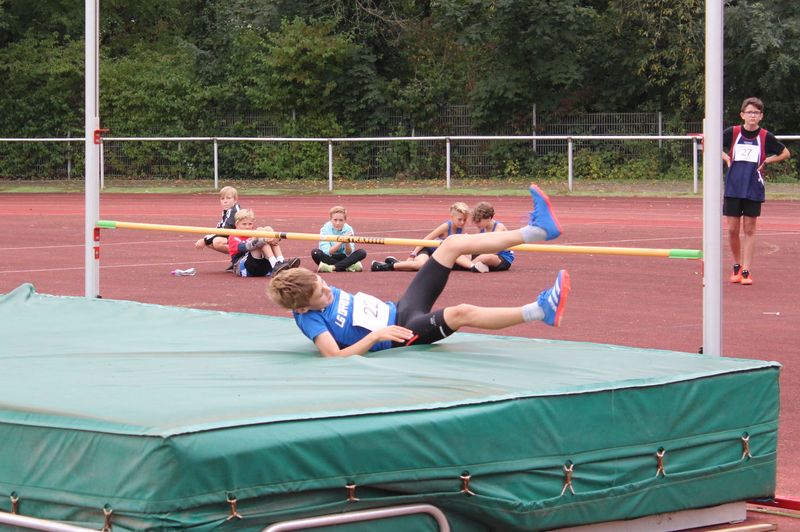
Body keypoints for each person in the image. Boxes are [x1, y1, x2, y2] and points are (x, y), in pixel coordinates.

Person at [268, 184, 569, 357]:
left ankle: (536, 231)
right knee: (460, 312)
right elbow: (333, 356)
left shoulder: (311, 290)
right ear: (303, 307)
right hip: (404, 332)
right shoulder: (310, 319)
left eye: (322, 283)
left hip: (401, 309)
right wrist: (376, 337)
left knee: (451, 244)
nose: (327, 290)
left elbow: (301, 284)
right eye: (321, 295)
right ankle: (540, 311)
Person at [722, 97, 791, 285]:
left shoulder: (765, 136)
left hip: (753, 187)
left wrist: (767, 160)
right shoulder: (733, 132)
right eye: (749, 112)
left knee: (749, 228)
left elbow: (785, 153)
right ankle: (736, 265)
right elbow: (709, 144)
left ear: (761, 116)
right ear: (742, 114)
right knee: (732, 229)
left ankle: (746, 270)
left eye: (756, 113)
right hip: (733, 187)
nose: (752, 116)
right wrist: (726, 158)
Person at [370, 201, 471, 272]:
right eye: (460, 219)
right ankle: (384, 266)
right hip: (425, 249)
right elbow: (426, 239)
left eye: (465, 220)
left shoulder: (460, 227)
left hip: (436, 254)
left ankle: (398, 263)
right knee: (420, 265)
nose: (462, 222)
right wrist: (413, 255)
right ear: (452, 217)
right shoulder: (446, 227)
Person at [228, 209, 300, 277]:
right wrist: (264, 240)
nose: (247, 227)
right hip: (245, 268)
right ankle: (275, 264)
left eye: (250, 224)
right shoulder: (233, 236)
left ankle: (281, 261)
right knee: (260, 235)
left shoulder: (253, 233)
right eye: (244, 224)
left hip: (263, 266)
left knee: (267, 230)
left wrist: (274, 239)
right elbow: (244, 248)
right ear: (237, 224)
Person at [311, 206, 367, 273]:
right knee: (315, 253)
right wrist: (341, 241)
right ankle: (348, 266)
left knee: (362, 252)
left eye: (341, 220)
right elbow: (328, 252)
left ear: (345, 220)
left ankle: (331, 267)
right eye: (335, 220)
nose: (338, 223)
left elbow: (349, 253)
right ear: (330, 219)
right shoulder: (324, 229)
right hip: (330, 257)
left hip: (344, 257)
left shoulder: (349, 229)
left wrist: (347, 242)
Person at [469, 201, 515, 273]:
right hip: (485, 253)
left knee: (485, 257)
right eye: (475, 221)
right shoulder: (482, 228)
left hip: (502, 258)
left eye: (478, 221)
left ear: (489, 218)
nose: (476, 224)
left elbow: (494, 250)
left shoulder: (499, 227)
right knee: (464, 253)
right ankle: (477, 265)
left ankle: (468, 265)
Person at [195, 186, 241, 257]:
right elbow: (220, 227)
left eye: (228, 198)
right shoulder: (227, 211)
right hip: (236, 236)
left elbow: (225, 229)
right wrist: (206, 239)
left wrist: (204, 240)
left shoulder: (233, 211)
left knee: (217, 242)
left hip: (243, 239)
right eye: (222, 199)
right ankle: (237, 257)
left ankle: (241, 255)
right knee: (210, 242)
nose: (225, 201)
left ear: (235, 200)